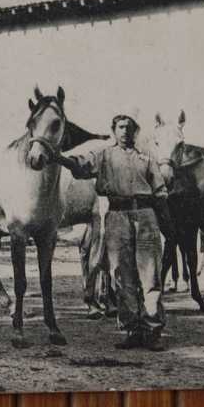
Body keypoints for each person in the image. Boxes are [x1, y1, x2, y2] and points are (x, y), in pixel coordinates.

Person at [53, 114, 171, 350]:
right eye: (120, 127)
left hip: (146, 215)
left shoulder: (147, 158)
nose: (125, 131)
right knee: (121, 275)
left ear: (135, 131)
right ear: (114, 130)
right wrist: (59, 158)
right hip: (116, 216)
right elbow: (81, 166)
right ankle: (131, 330)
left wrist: (167, 225)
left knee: (150, 275)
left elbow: (160, 193)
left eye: (129, 127)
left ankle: (153, 331)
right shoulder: (104, 155)